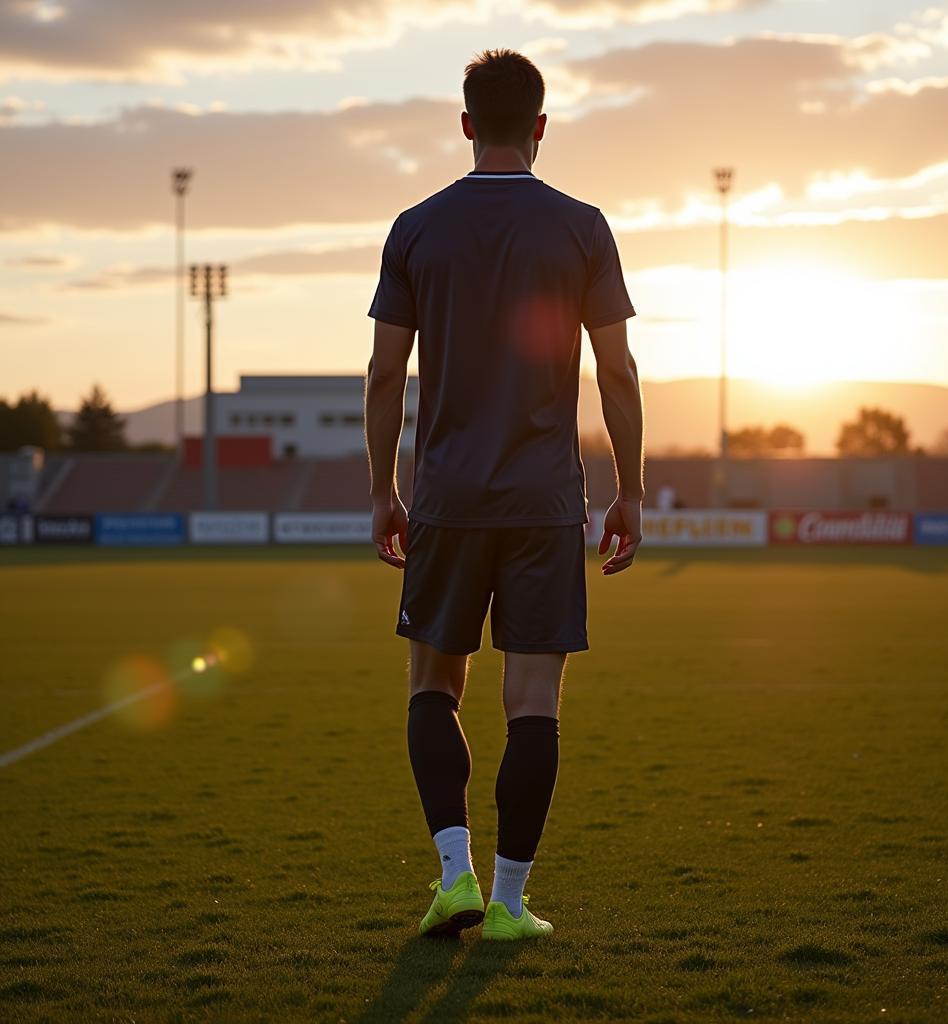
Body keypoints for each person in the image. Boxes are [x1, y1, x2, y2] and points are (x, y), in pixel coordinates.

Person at [364, 48, 644, 941]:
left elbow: (383, 374)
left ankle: (455, 878)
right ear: (540, 126)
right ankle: (512, 902)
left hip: (445, 500)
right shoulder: (582, 227)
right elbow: (619, 370)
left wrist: (384, 489)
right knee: (534, 701)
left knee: (431, 688)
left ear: (464, 124)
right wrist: (629, 490)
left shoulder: (415, 227)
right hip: (543, 505)